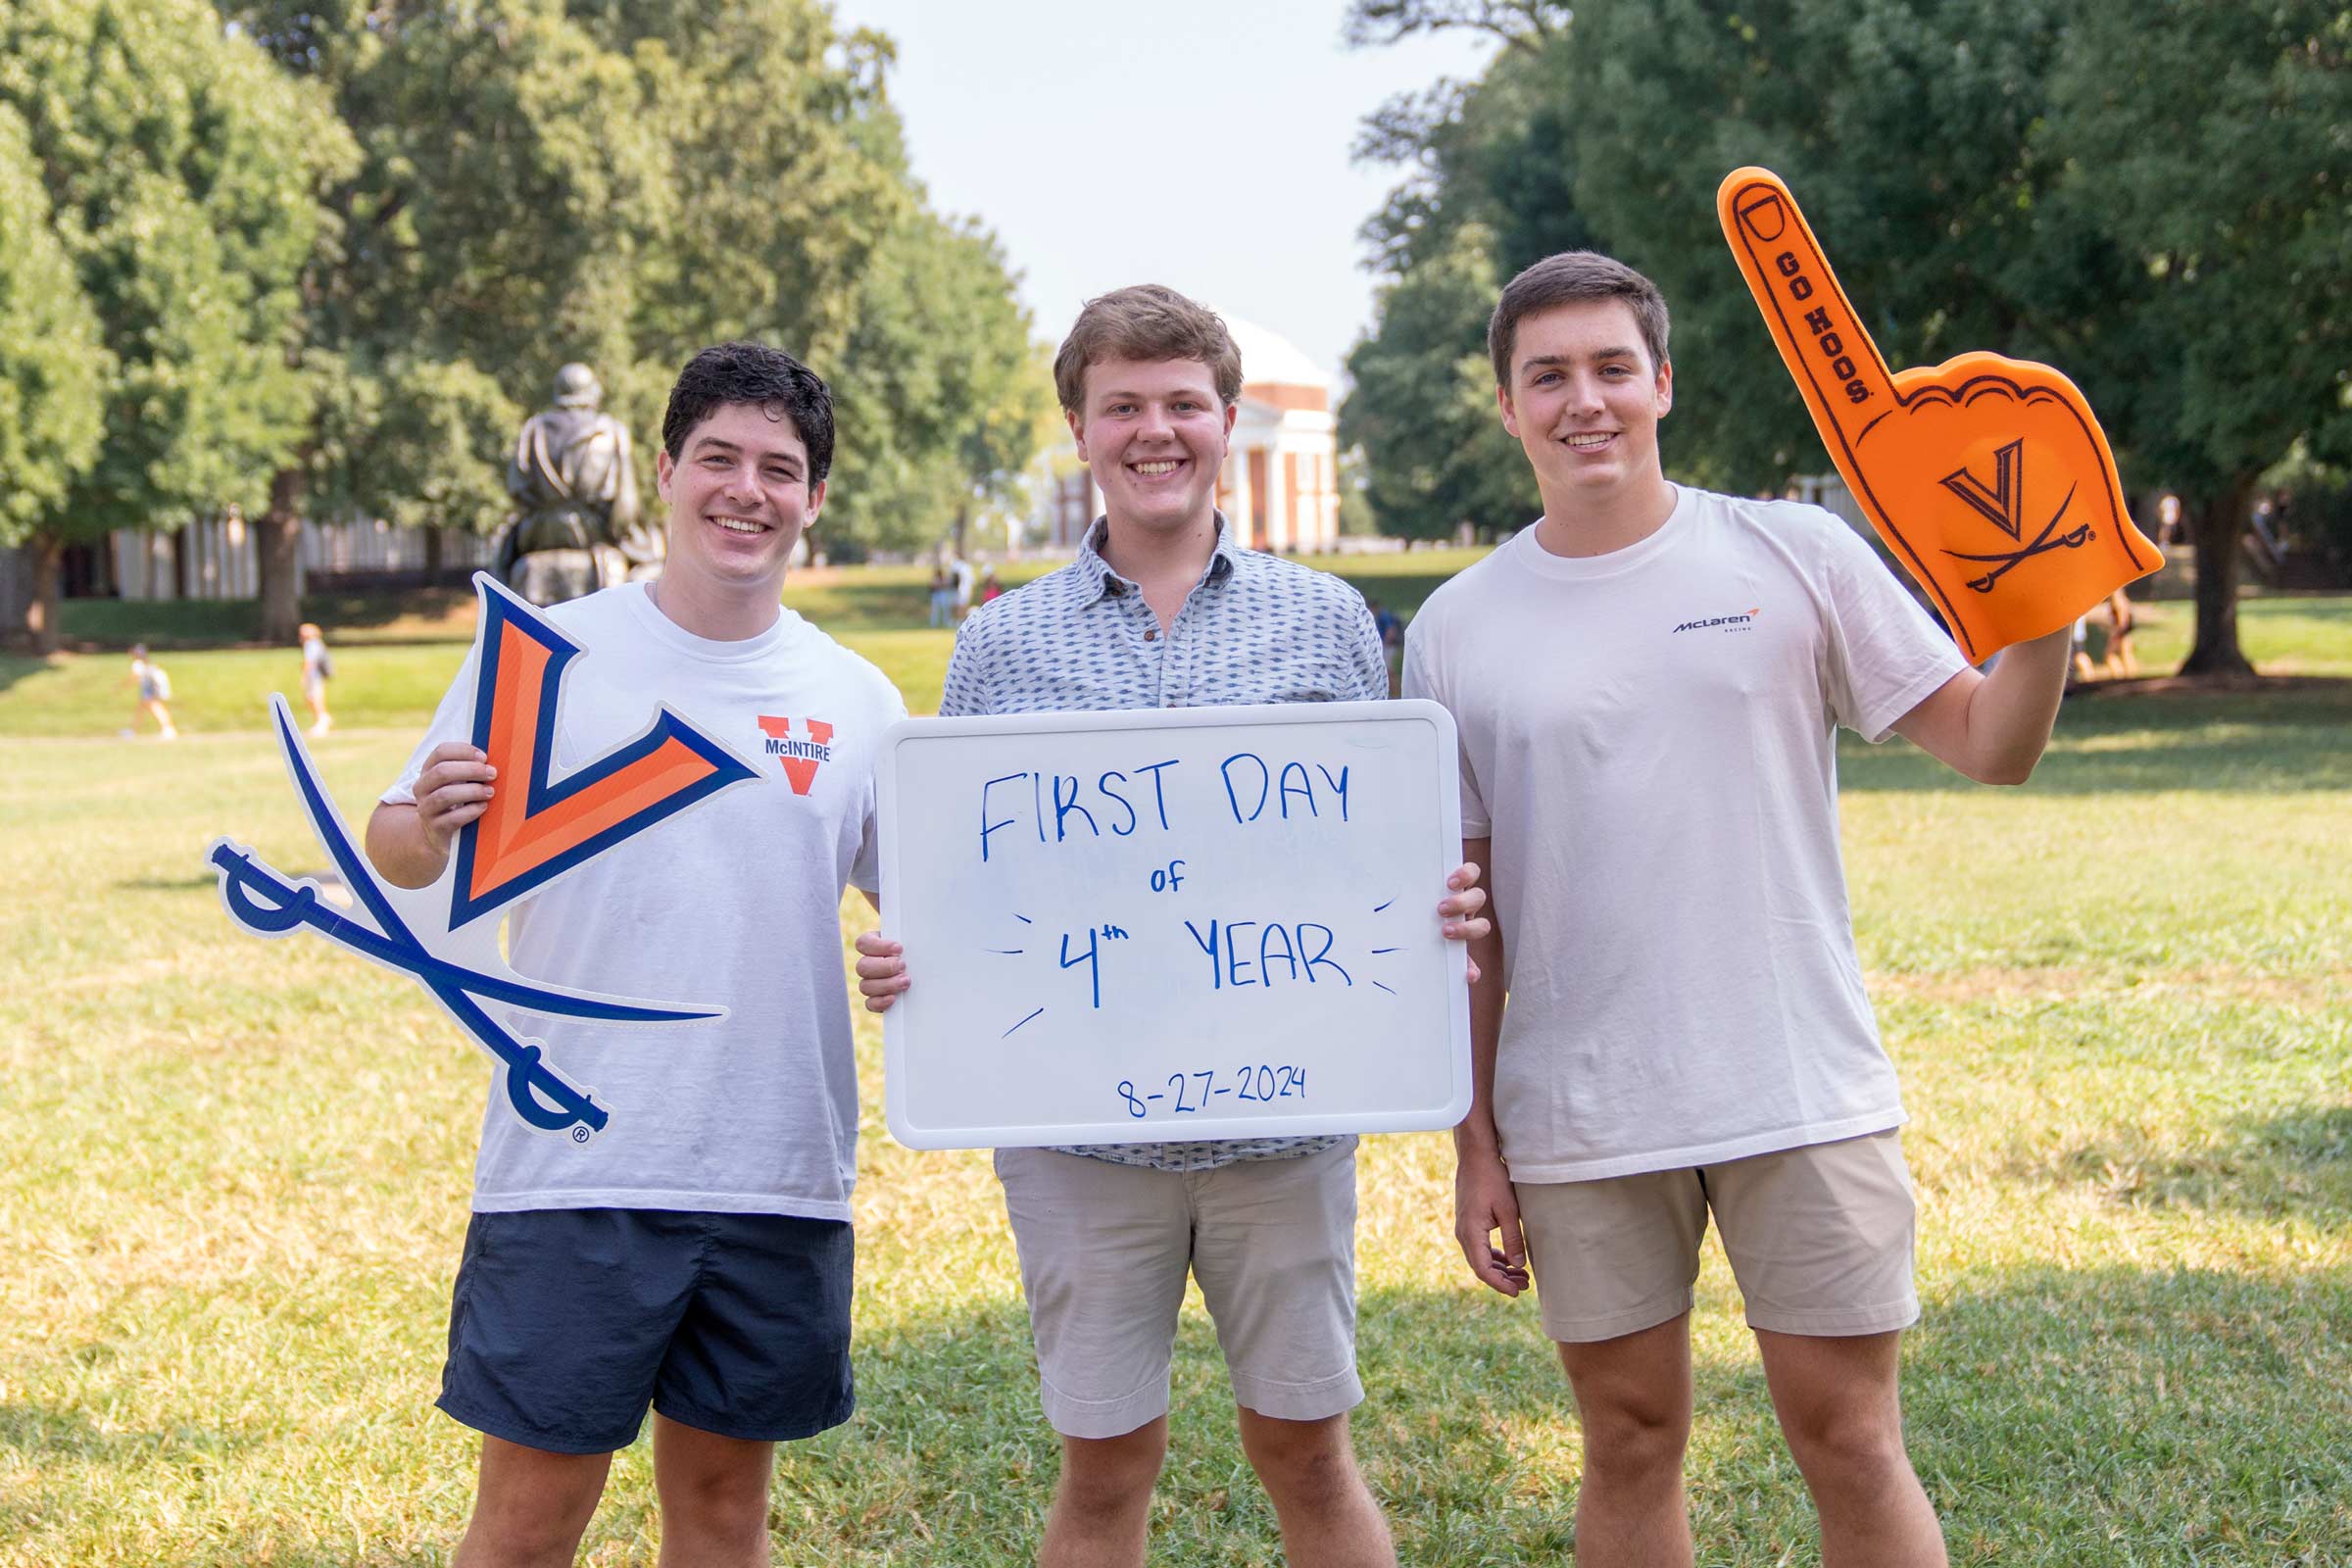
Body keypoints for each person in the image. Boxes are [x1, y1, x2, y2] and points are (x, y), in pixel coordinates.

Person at [1406, 252, 2074, 1568]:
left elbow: (1992, 743)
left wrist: (2041, 613)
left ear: (1662, 382)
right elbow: (1463, 922)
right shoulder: (1455, 626)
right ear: (1507, 407)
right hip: (1582, 1110)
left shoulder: (1794, 551)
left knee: (1850, 1437)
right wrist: (1475, 1140)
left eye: (1610, 369)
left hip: (1798, 1085)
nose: (1583, 401)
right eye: (1548, 376)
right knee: (1632, 1438)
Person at [852, 284, 1489, 1568]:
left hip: (1286, 1120)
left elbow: (1371, 845)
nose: (1157, 431)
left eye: (1183, 404)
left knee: (1308, 1452)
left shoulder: (1322, 621)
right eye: (1123, 406)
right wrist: (915, 953)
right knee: (1104, 1470)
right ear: (1079, 429)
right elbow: (966, 871)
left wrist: (1434, 902)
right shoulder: (1000, 643)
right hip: (1080, 1137)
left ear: (1228, 417)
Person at [365, 342, 904, 1568]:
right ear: (663, 471)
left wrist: (903, 961)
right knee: (526, 1524)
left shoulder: (859, 698)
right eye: (718, 458)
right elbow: (396, 847)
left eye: (780, 469)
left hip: (774, 1168)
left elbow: (922, 913)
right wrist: (425, 814)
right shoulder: (543, 655)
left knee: (721, 1517)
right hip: (576, 1169)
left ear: (813, 498)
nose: (745, 491)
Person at [496, 362, 656, 607]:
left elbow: (517, 488)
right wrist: (628, 537)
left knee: (500, 564)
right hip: (595, 532)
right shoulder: (611, 431)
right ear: (592, 391)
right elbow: (626, 502)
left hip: (539, 533)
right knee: (655, 564)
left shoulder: (533, 429)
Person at [126, 644, 175, 740]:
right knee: (141, 709)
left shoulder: (138, 664)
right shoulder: (147, 662)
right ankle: (132, 730)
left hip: (150, 689)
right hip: (151, 688)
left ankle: (168, 729)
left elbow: (136, 677)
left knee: (156, 708)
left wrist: (123, 685)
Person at [298, 621, 334, 738]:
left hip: (315, 676)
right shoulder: (316, 644)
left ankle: (322, 721)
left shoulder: (312, 644)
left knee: (315, 698)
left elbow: (310, 662)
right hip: (315, 676)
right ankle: (323, 719)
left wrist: (304, 676)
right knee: (310, 698)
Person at [2102, 586, 2139, 679]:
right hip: (2124, 629)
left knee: (2110, 655)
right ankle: (2129, 676)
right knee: (2126, 653)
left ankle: (2119, 677)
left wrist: (2119, 630)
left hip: (2121, 630)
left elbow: (2121, 612)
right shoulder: (2121, 595)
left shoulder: (2116, 594)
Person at [927, 562, 954, 627]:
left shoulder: (944, 578)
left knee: (946, 609)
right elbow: (932, 586)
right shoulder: (934, 578)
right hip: (936, 594)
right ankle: (934, 623)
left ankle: (946, 622)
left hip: (943, 594)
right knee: (935, 610)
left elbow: (947, 585)